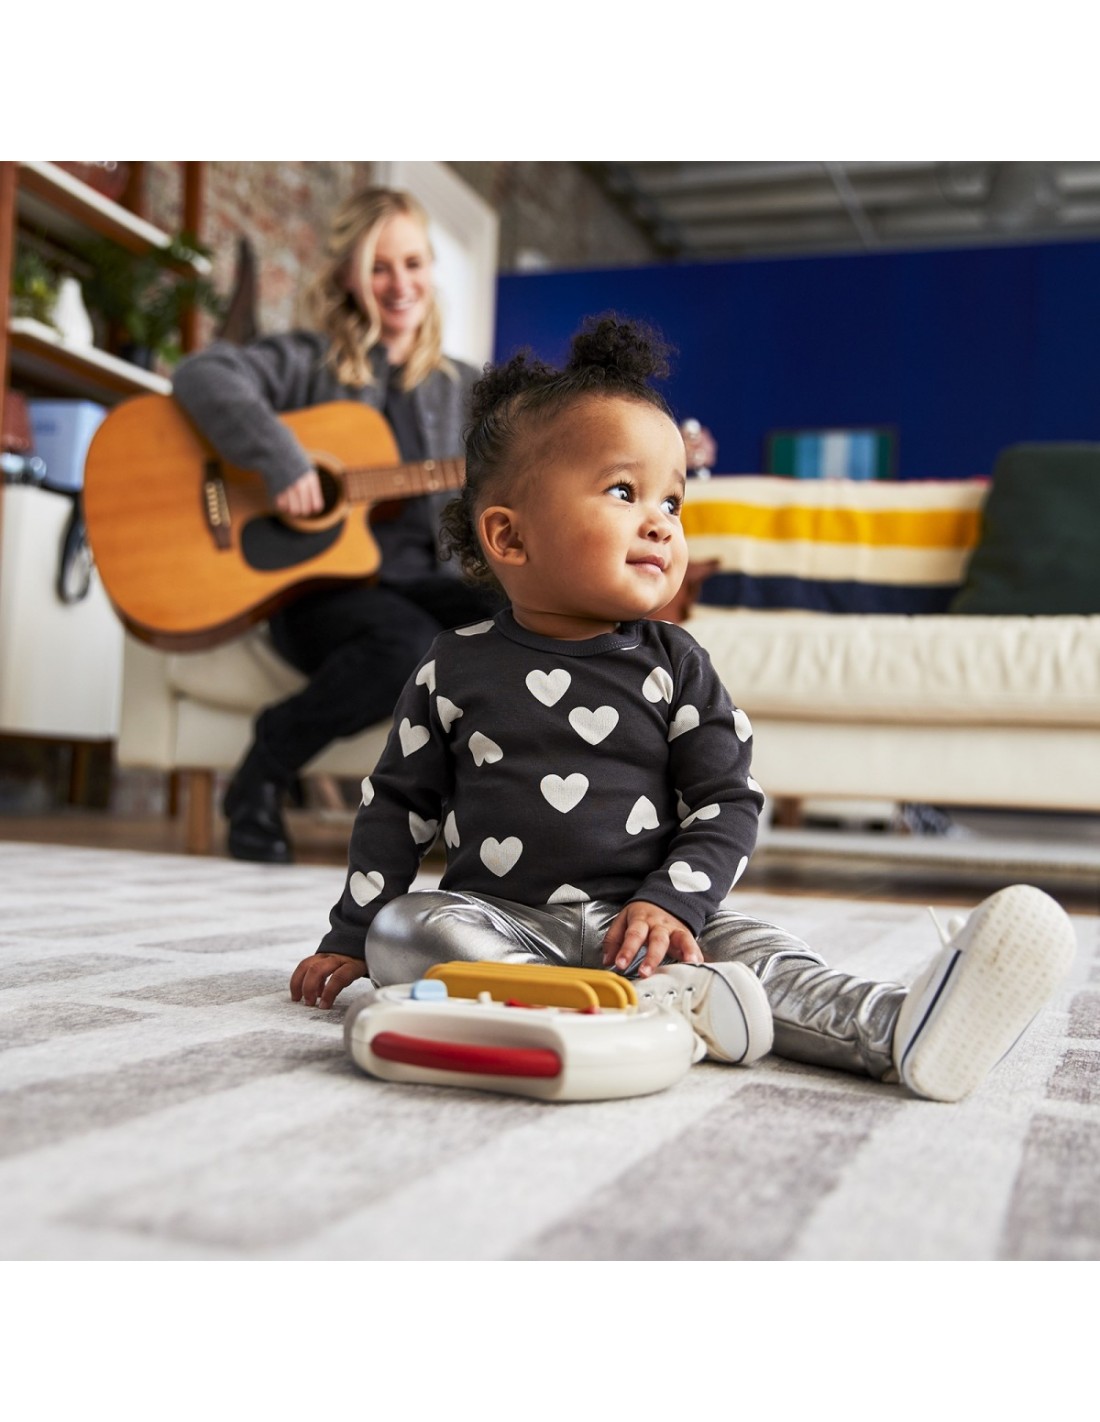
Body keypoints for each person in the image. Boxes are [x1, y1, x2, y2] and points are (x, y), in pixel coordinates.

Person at [289, 315, 1077, 1101]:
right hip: (504, 924)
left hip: (655, 919)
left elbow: (728, 801)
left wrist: (671, 903)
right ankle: (621, 1008)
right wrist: (353, 935)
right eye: (624, 491)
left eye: (674, 501)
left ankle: (897, 1027)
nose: (661, 523)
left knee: (761, 953)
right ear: (510, 537)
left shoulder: (676, 664)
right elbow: (396, 807)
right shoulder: (452, 665)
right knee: (408, 932)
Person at [172, 186, 503, 864]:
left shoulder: (469, 389)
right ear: (349, 275)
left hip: (427, 583)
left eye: (413, 263)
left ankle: (500, 817)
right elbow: (203, 374)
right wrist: (280, 461)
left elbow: (533, 454)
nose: (400, 285)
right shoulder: (308, 360)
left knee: (520, 619)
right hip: (317, 591)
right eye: (379, 267)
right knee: (405, 645)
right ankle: (264, 768)